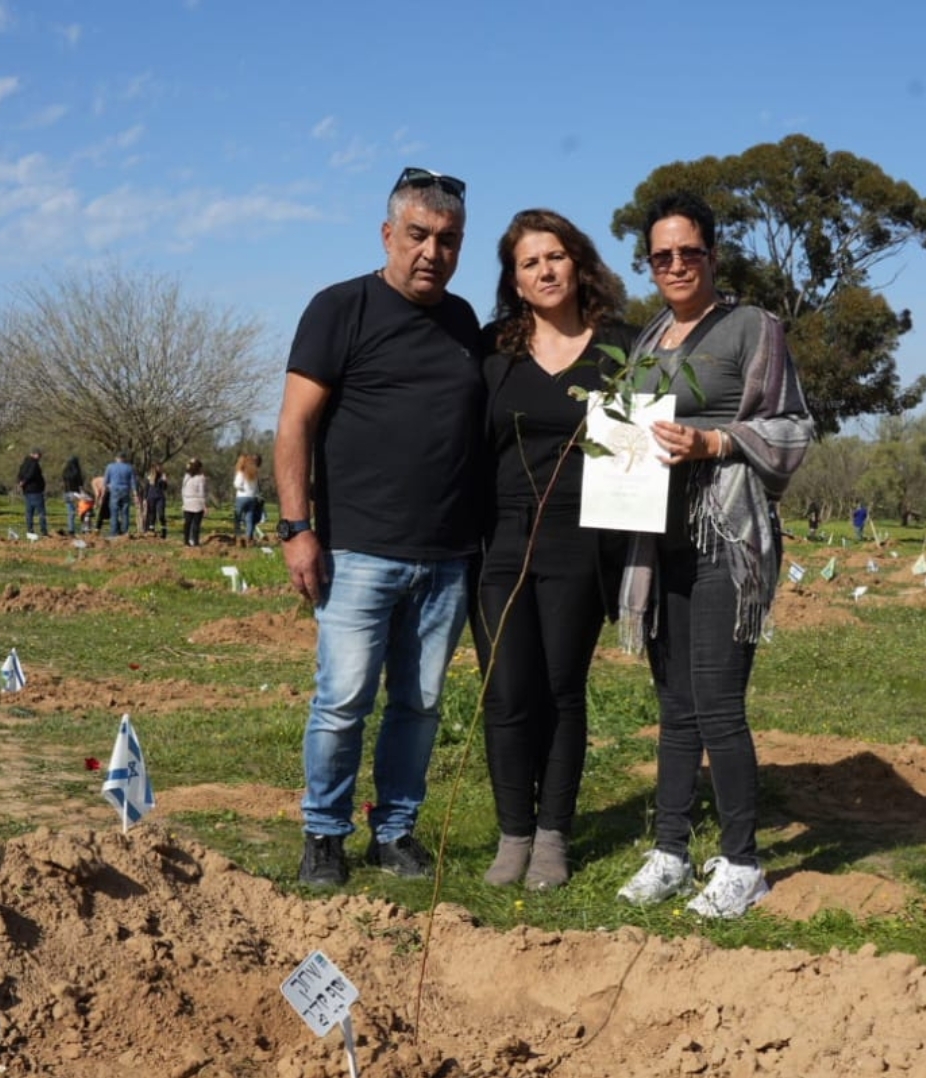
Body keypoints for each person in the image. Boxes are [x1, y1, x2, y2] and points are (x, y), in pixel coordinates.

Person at [278, 166, 484, 888]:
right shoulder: (340, 308)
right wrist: (295, 528)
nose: (433, 252)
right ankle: (324, 834)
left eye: (449, 240)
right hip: (357, 551)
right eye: (419, 236)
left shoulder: (463, 323)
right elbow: (295, 424)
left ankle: (394, 832)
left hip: (448, 555)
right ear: (388, 234)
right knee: (341, 702)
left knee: (421, 705)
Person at [615, 191, 813, 920]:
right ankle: (670, 850)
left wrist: (716, 441)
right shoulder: (645, 341)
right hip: (656, 542)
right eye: (660, 256)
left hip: (726, 541)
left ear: (712, 256)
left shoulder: (752, 329)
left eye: (687, 253)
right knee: (674, 709)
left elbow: (792, 426)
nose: (674, 266)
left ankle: (741, 863)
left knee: (719, 705)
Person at [472, 208, 634, 892]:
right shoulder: (492, 352)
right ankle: (513, 834)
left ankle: (552, 837)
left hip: (583, 540)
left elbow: (640, 455)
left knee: (563, 692)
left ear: (579, 263)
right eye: (529, 262)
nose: (544, 270)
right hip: (499, 542)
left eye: (555, 257)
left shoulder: (623, 350)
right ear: (514, 279)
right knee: (508, 692)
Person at [233, 453, 264, 544]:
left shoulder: (241, 472)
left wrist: (242, 489)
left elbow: (237, 484)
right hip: (251, 498)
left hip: (241, 497)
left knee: (237, 518)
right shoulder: (254, 474)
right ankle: (248, 538)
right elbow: (257, 488)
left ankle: (238, 537)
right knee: (249, 519)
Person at [103, 453, 136, 536]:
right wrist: (135, 493)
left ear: (116, 458)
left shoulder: (110, 466)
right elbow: (133, 482)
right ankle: (125, 532)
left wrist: (107, 489)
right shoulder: (129, 467)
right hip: (125, 490)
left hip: (114, 490)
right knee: (125, 512)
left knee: (114, 512)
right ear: (124, 458)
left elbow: (105, 481)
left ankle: (114, 532)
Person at [17, 448, 49, 536]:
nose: (40, 457)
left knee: (29, 512)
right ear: (35, 454)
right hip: (35, 491)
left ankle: (30, 530)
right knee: (41, 512)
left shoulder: (24, 463)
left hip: (27, 491)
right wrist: (24, 481)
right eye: (39, 455)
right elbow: (31, 474)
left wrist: (20, 482)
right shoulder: (34, 463)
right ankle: (44, 531)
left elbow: (19, 474)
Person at [180, 458, 209, 547]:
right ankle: (195, 541)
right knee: (196, 524)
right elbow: (201, 493)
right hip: (197, 503)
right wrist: (204, 505)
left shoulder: (186, 476)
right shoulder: (201, 478)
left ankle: (186, 541)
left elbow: (183, 490)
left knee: (187, 523)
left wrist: (184, 501)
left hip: (187, 501)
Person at [60, 454, 86, 534]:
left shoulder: (65, 471)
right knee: (82, 511)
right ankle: (84, 528)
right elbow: (80, 484)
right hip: (75, 493)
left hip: (66, 493)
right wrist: (83, 493)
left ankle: (71, 529)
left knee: (70, 512)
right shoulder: (76, 471)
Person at [142, 464, 170, 538]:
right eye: (157, 468)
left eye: (159, 468)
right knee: (151, 515)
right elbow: (146, 488)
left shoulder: (162, 477)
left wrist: (165, 480)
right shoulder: (149, 477)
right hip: (150, 498)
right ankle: (151, 531)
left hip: (160, 498)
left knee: (161, 514)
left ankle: (164, 531)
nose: (158, 469)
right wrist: (144, 499)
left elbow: (164, 488)